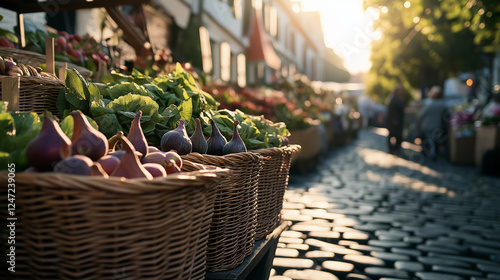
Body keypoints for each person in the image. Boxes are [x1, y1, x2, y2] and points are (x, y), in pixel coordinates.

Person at [418, 86, 448, 159]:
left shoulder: (429, 103)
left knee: (429, 140)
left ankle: (431, 154)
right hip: (437, 126)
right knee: (433, 140)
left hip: (427, 126)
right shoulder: (443, 104)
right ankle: (433, 153)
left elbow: (421, 115)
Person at [386, 84, 405, 155]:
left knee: (396, 136)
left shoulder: (396, 98)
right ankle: (393, 150)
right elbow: (392, 112)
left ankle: (394, 150)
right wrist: (394, 121)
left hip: (396, 122)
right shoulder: (394, 99)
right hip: (395, 122)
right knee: (394, 136)